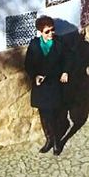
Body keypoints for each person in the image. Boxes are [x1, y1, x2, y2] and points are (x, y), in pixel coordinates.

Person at [24, 15, 71, 155]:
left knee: (53, 115)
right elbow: (28, 64)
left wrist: (65, 72)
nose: (51, 33)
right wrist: (35, 76)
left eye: (52, 30)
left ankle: (56, 141)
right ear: (40, 32)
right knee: (44, 115)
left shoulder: (59, 44)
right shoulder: (34, 45)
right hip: (40, 86)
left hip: (54, 84)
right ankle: (48, 139)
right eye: (47, 31)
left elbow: (68, 58)